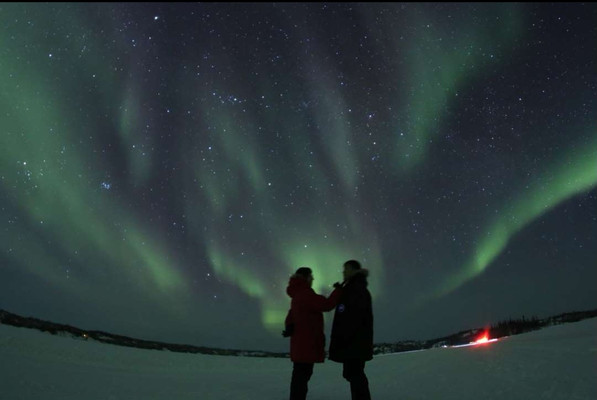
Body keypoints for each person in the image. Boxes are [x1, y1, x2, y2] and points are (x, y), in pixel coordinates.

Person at [284, 267, 341, 400]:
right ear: (306, 278)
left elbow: (291, 315)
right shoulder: (306, 294)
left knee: (299, 376)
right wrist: (338, 291)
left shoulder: (298, 294)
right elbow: (327, 305)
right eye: (311, 276)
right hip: (307, 344)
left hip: (300, 344)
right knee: (302, 377)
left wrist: (289, 326)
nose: (313, 279)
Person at [329, 260, 373, 400]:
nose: (343, 272)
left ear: (354, 271)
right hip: (353, 342)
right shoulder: (351, 288)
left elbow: (354, 317)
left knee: (355, 374)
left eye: (346, 269)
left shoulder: (356, 289)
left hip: (354, 342)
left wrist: (345, 338)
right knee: (352, 374)